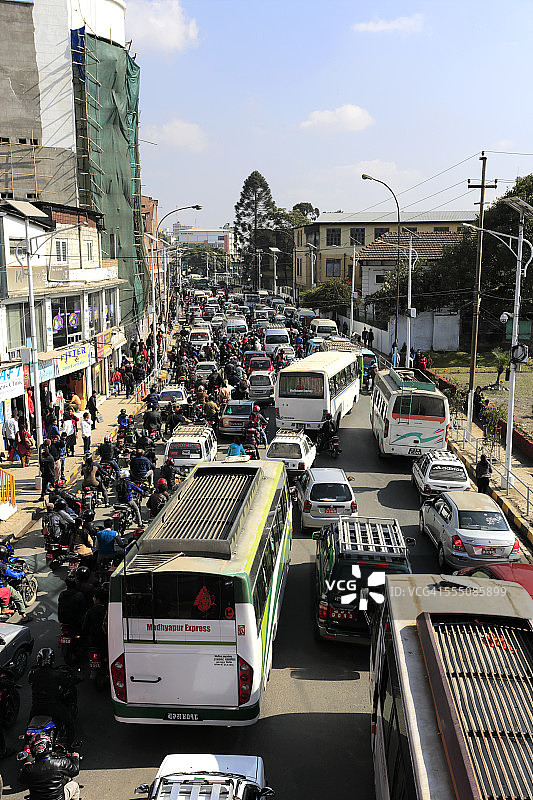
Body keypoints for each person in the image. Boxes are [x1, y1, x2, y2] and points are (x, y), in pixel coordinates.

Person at [28, 648, 76, 749]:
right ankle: (70, 745)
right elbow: (67, 682)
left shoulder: (33, 673)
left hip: (36, 707)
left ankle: (26, 745)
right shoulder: (56, 674)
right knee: (69, 722)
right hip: (52, 707)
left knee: (28, 727)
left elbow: (30, 681)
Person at [18, 733, 80, 800]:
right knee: (74, 785)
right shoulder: (61, 762)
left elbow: (21, 780)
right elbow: (75, 771)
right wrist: (75, 757)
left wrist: (25, 767)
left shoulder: (28, 769)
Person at [0, 546, 31, 622]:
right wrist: (23, 572)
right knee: (18, 598)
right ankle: (24, 617)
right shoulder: (3, 567)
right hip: (2, 587)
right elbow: (15, 575)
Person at [82, 587, 108, 656]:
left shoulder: (90, 611)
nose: (93, 599)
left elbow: (85, 628)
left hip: (94, 641)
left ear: (97, 599)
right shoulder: (109, 611)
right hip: (107, 640)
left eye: (94, 597)